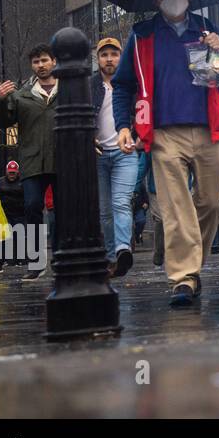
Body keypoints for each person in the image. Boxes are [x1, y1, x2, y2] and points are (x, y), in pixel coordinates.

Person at [112, 0, 219, 307]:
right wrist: (124, 125)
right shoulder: (142, 36)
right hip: (164, 133)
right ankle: (184, 277)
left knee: (211, 200)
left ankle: (188, 258)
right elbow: (123, 86)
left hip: (209, 129)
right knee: (176, 206)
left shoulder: (206, 29)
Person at [0, 44, 59, 282]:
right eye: (36, 62)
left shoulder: (67, 90)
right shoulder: (22, 95)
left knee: (62, 210)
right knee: (31, 207)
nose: (40, 65)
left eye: (44, 60)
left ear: (53, 61)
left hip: (60, 160)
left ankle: (62, 258)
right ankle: (35, 262)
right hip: (31, 163)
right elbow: (2, 122)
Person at [93, 37, 140, 278]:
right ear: (98, 58)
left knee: (121, 202)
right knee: (104, 211)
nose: (109, 59)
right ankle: (112, 258)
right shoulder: (89, 85)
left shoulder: (131, 84)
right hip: (99, 155)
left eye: (114, 54)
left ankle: (122, 250)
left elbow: (144, 109)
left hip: (126, 153)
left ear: (121, 57)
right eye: (104, 54)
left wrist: (140, 137)